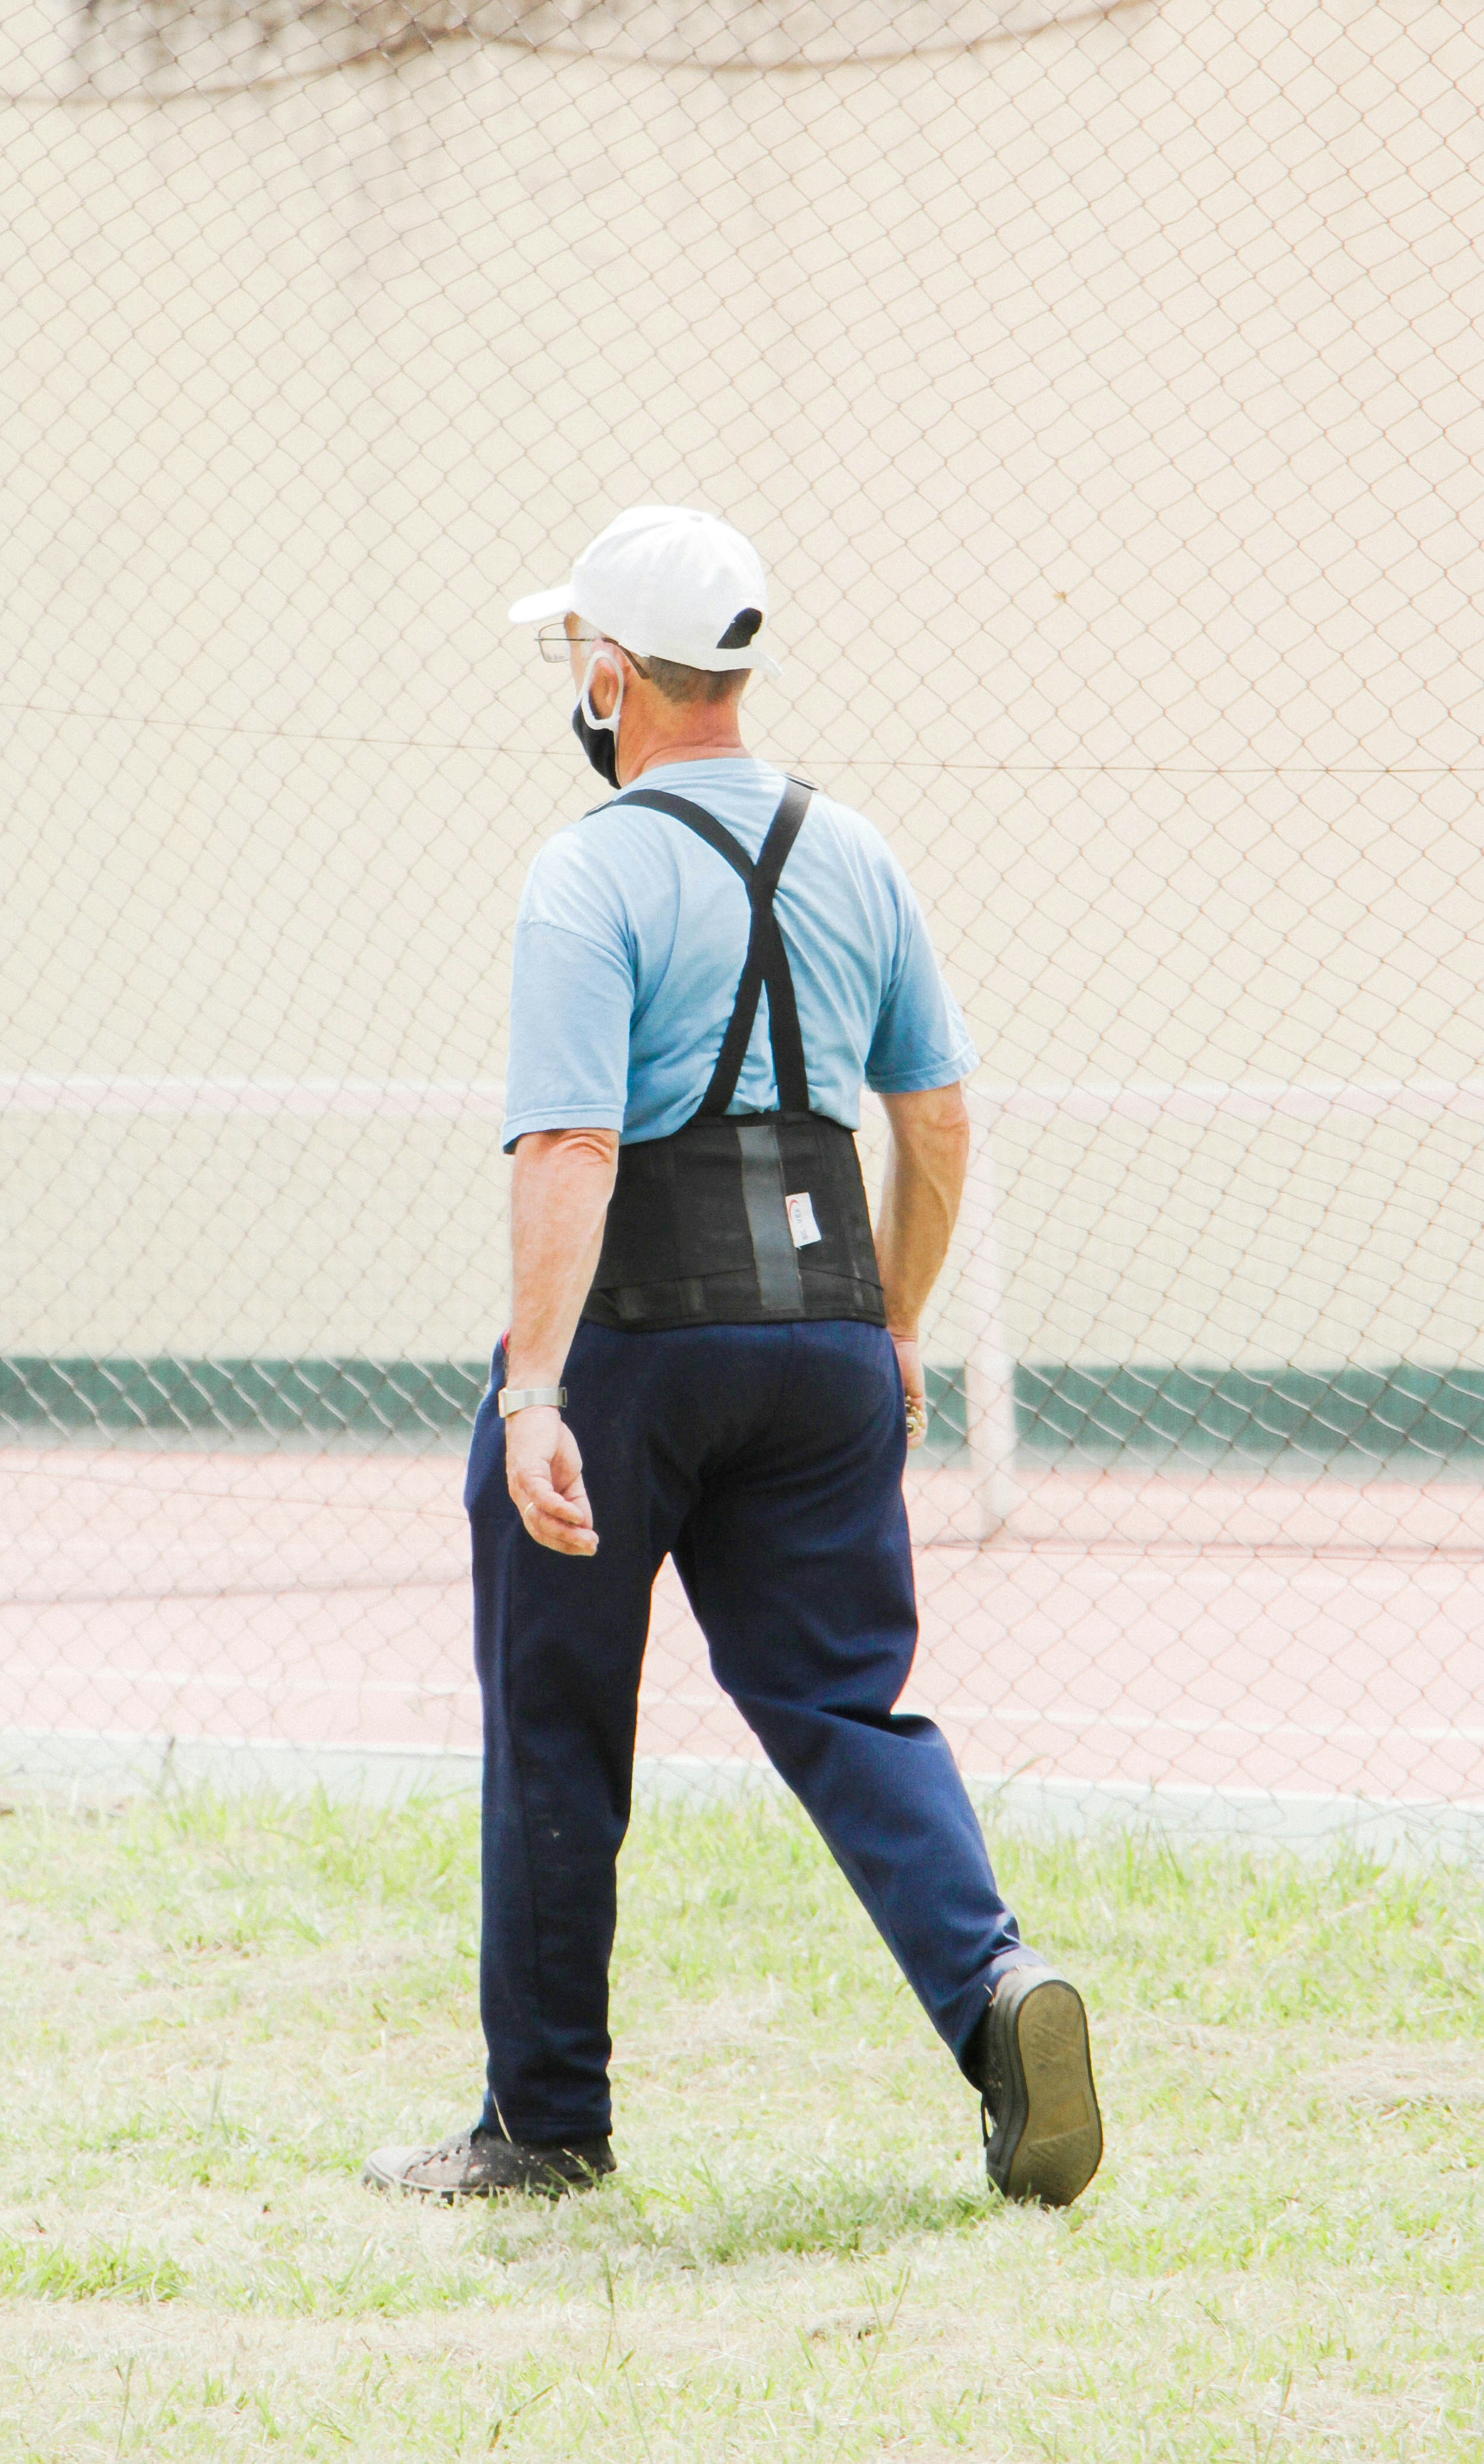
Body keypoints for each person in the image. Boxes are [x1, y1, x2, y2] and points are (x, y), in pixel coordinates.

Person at [364, 504, 1102, 2208]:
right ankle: (997, 2000)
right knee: (849, 1703)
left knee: (560, 1720)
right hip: (829, 1333)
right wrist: (892, 1322)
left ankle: (545, 2125)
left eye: (576, 660)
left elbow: (569, 1151)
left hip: (630, 1349)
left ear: (614, 676)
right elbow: (936, 1119)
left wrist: (534, 1392)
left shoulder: (589, 868)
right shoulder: (864, 855)